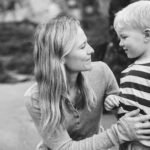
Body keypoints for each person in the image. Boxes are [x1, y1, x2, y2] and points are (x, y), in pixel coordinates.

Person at [24, 15, 150, 150]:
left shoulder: (101, 71)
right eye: (83, 46)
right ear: (60, 58)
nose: (91, 50)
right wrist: (118, 133)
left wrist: (116, 104)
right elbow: (64, 148)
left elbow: (129, 119)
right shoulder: (36, 97)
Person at [104, 1, 150, 150]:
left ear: (147, 35)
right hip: (129, 143)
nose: (120, 44)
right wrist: (117, 102)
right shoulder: (129, 71)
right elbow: (130, 110)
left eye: (124, 37)